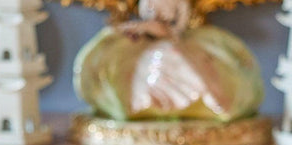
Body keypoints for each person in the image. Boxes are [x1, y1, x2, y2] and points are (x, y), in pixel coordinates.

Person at [74, 0, 264, 122]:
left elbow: (179, 27)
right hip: (150, 42)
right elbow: (145, 19)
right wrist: (143, 29)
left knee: (175, 58)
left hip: (171, 40)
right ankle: (145, 102)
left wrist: (166, 32)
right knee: (148, 64)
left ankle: (203, 99)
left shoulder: (180, 3)